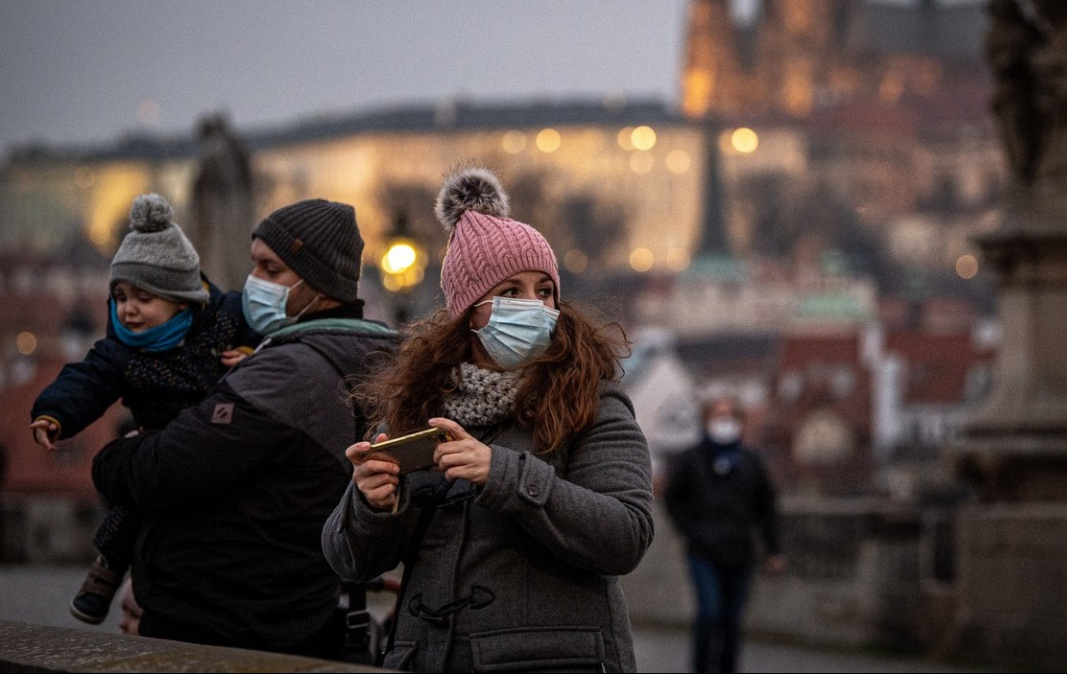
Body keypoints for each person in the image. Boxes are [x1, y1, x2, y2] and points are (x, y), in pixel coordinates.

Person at [322, 166, 654, 672]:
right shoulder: (417, 403)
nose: (535, 306)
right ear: (468, 310)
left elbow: (626, 535)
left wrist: (504, 474)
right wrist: (370, 501)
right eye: (512, 291)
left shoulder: (592, 400)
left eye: (545, 291)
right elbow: (349, 561)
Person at [91, 198, 396, 658]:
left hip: (221, 631)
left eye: (271, 270)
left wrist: (114, 455)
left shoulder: (287, 374)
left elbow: (162, 471)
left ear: (320, 284)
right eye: (255, 266)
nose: (254, 282)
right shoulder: (359, 359)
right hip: (286, 620)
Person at [28, 193, 259, 625]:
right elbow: (87, 380)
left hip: (212, 434)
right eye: (120, 297)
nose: (128, 309)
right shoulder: (120, 352)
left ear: (182, 299)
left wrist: (248, 349)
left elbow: (254, 322)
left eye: (143, 298)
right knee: (130, 509)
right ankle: (106, 572)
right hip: (156, 438)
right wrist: (54, 412)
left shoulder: (222, 316)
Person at [665, 396, 785, 674]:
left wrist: (774, 550)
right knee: (709, 613)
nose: (724, 422)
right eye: (718, 416)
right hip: (703, 551)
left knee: (732, 621)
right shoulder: (691, 459)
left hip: (740, 551)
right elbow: (673, 499)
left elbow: (766, 508)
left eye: (730, 416)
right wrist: (690, 531)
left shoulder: (751, 462)